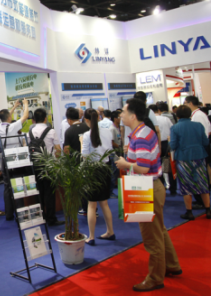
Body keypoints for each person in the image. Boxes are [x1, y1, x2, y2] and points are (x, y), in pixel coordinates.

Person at [116, 98, 181, 292]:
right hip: (149, 186)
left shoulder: (141, 136)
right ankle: (171, 265)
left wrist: (125, 164)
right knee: (159, 230)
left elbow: (143, 168)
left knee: (152, 237)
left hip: (145, 187)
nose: (121, 115)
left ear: (133, 116)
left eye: (124, 112)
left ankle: (155, 278)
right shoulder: (143, 132)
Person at [169, 105, 211, 221]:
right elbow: (205, 142)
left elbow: (173, 145)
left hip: (183, 158)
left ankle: (189, 212)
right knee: (203, 183)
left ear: (177, 115)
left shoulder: (175, 128)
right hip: (199, 157)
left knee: (185, 185)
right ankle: (208, 210)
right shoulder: (198, 125)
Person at [81, 108, 115, 245]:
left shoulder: (86, 135)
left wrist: (81, 142)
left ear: (86, 120)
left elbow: (84, 156)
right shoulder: (107, 131)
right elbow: (110, 150)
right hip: (105, 168)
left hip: (92, 170)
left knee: (91, 205)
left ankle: (91, 237)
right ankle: (110, 232)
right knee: (104, 203)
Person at [28, 108, 63, 226]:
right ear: (45, 118)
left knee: (39, 191)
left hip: (36, 165)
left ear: (34, 119)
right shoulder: (51, 131)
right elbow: (58, 150)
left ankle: (40, 216)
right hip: (49, 165)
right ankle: (51, 218)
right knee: (50, 192)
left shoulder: (30, 132)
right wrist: (57, 163)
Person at [0, 99, 29, 221]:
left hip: (5, 159)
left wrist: (14, 107)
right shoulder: (13, 127)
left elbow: (6, 118)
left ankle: (9, 214)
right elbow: (25, 116)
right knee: (18, 184)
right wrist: (25, 104)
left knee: (7, 187)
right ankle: (20, 214)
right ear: (9, 117)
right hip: (15, 158)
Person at [185, 96, 211, 207]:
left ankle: (203, 200)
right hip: (200, 146)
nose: (185, 105)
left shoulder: (198, 115)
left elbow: (203, 133)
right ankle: (202, 199)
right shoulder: (199, 114)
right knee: (201, 172)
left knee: (199, 174)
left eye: (185, 103)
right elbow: (208, 131)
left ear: (190, 103)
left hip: (199, 147)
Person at [63, 107, 91, 215]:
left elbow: (66, 149)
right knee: (89, 184)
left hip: (76, 162)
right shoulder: (87, 127)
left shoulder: (69, 131)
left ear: (69, 119)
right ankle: (92, 208)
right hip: (89, 160)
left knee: (80, 186)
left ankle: (85, 208)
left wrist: (67, 162)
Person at [152, 104, 175, 193]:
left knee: (158, 166)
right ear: (158, 110)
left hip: (155, 144)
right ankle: (173, 188)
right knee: (170, 166)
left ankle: (161, 187)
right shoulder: (166, 119)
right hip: (167, 143)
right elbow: (172, 129)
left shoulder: (151, 120)